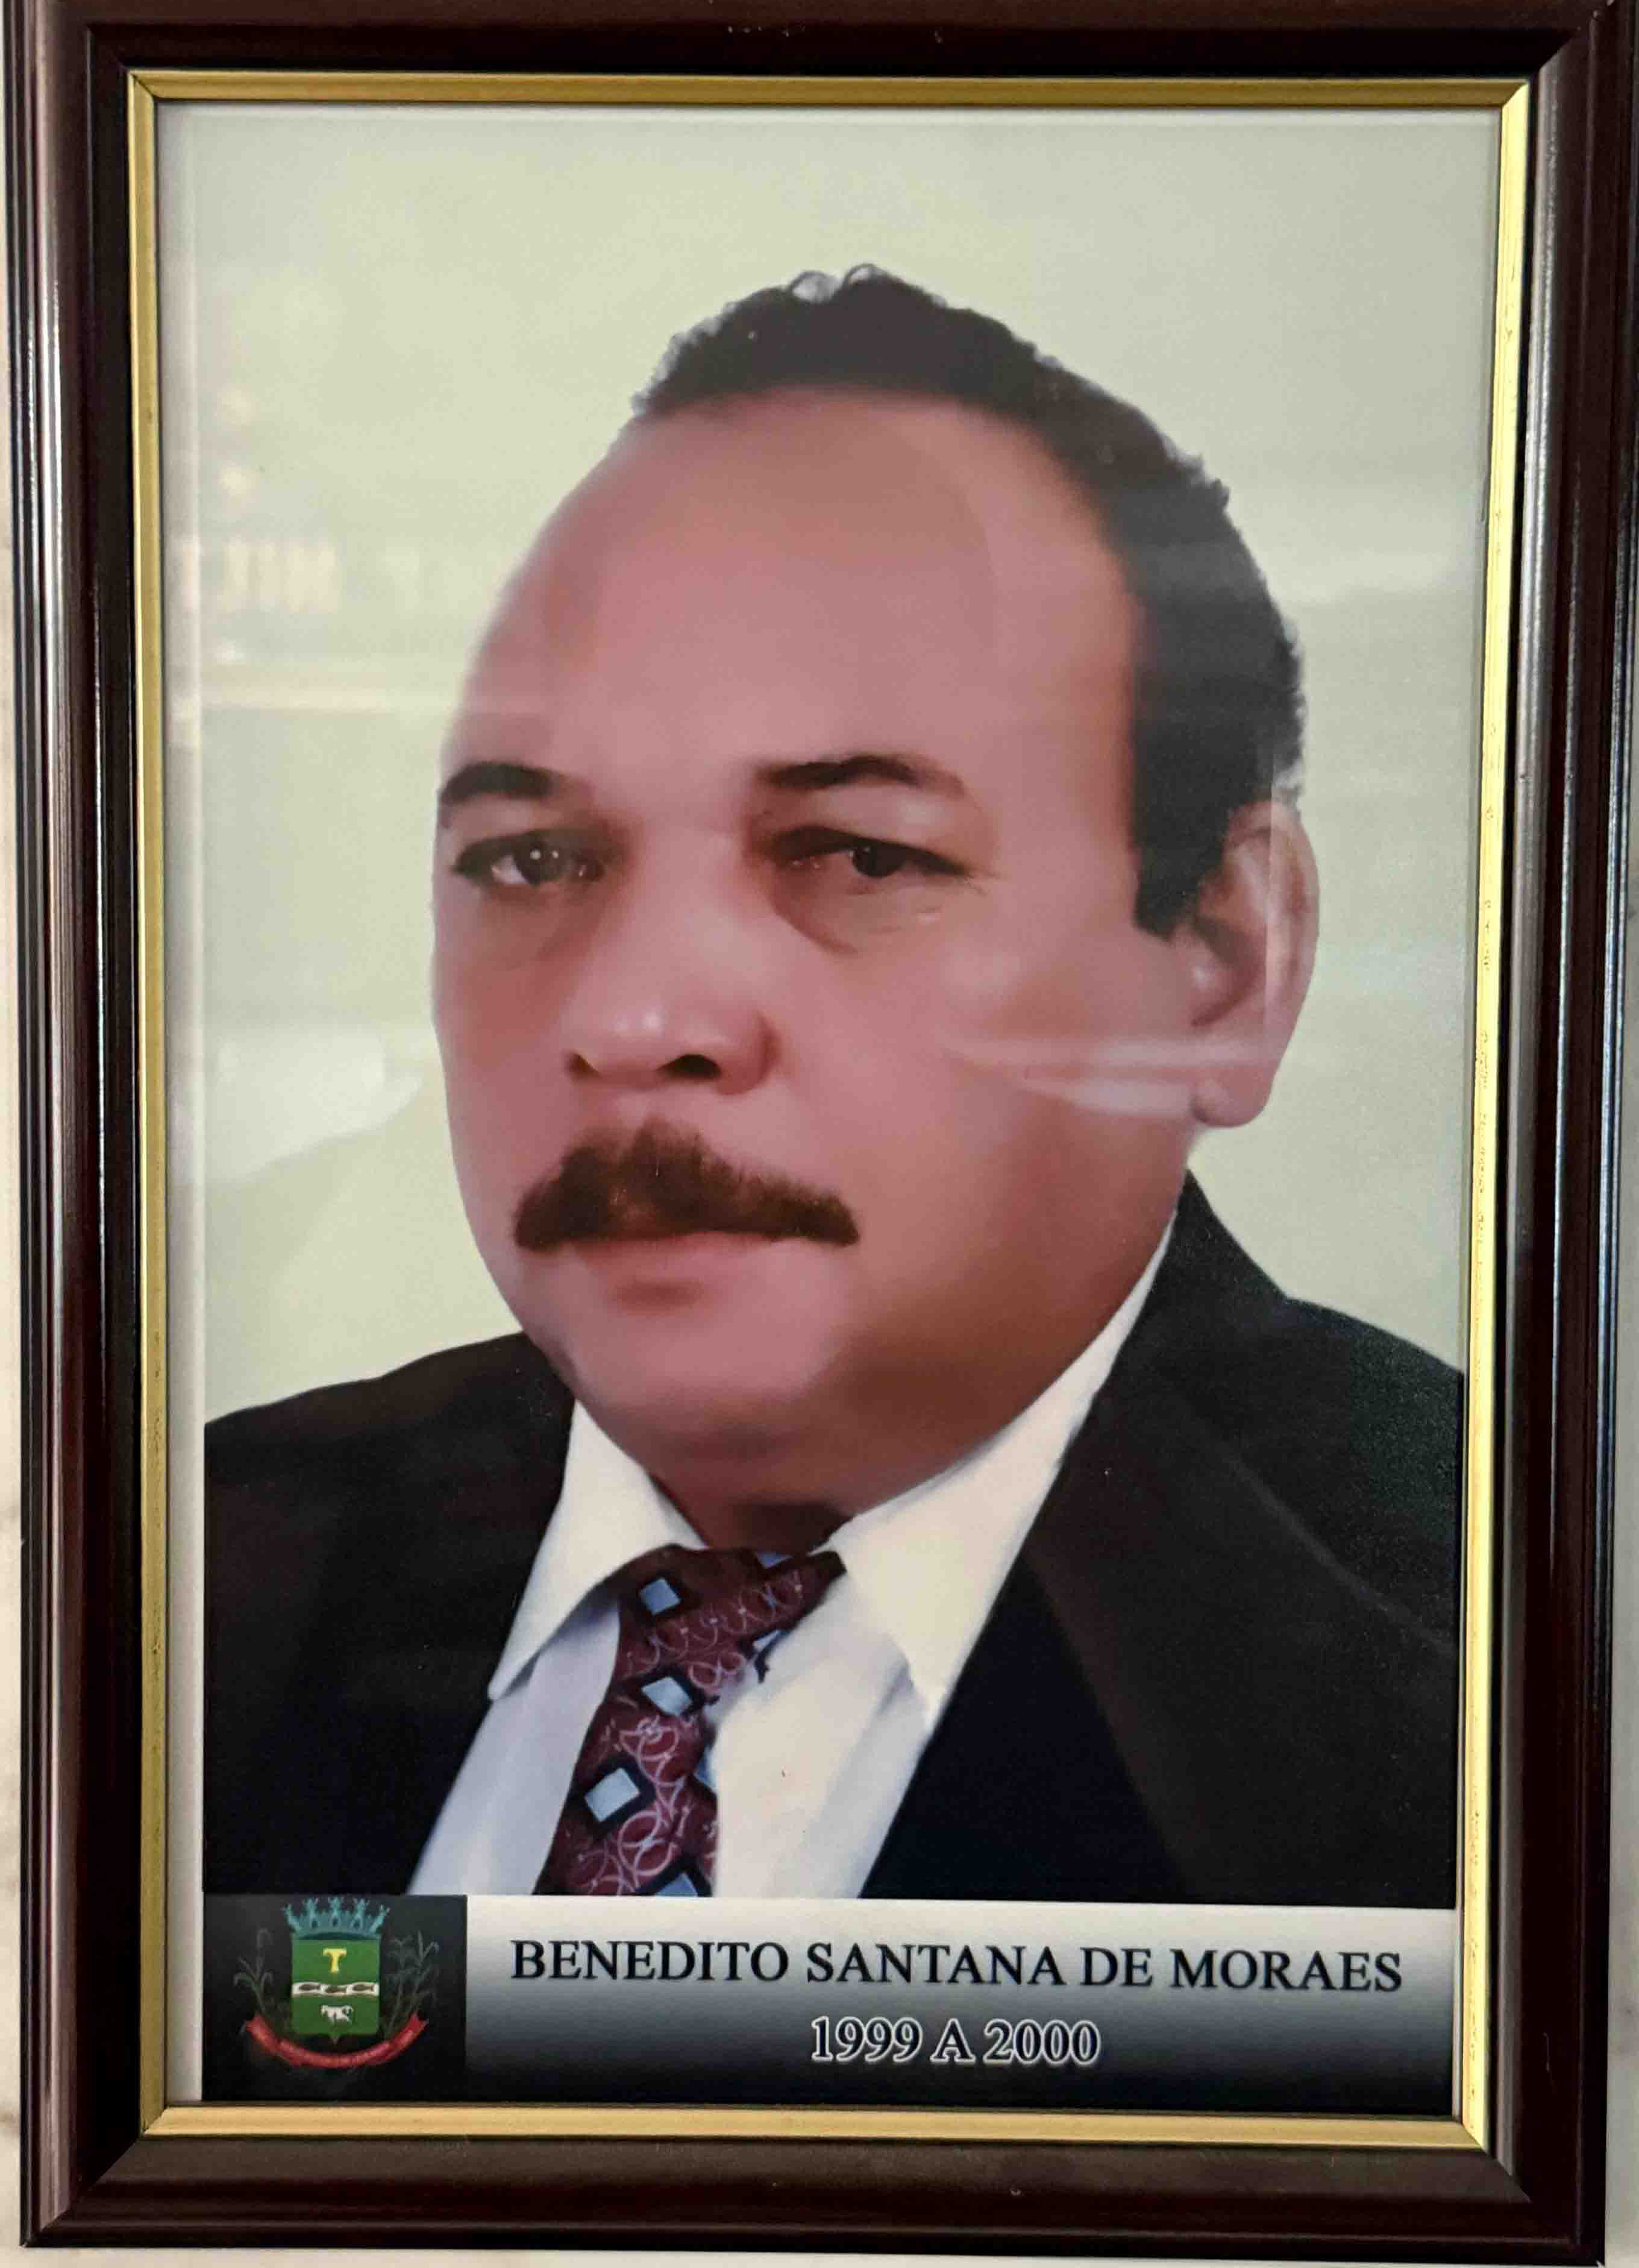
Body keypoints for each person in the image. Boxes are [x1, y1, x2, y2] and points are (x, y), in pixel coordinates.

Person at [206, 269, 1461, 1907]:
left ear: (1227, 956)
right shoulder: (178, 1574)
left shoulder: (1506, 1641)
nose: (634, 1015)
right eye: (532, 858)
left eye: (861, 854)